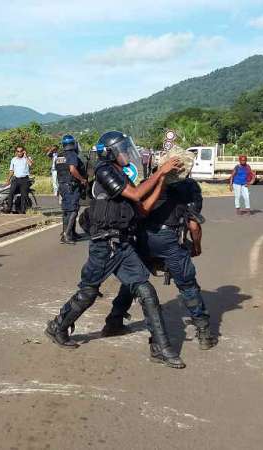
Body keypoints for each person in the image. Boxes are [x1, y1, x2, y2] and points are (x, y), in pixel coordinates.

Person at [45, 130, 186, 369]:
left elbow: (143, 208)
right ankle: (58, 327)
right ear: (110, 152)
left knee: (146, 291)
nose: (126, 153)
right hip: (104, 244)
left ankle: (160, 348)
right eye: (122, 149)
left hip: (121, 243)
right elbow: (136, 193)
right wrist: (159, 171)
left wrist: (162, 180)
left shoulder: (122, 174)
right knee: (88, 292)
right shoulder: (104, 171)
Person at [102, 176, 218, 351]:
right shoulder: (189, 187)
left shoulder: (151, 181)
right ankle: (204, 333)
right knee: (187, 285)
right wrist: (196, 247)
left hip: (143, 237)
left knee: (134, 280)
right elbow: (194, 226)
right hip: (169, 240)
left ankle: (114, 321)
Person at [55, 135, 88, 244]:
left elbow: (59, 171)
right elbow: (72, 169)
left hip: (62, 185)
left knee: (66, 210)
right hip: (71, 185)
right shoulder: (72, 155)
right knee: (73, 210)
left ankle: (71, 233)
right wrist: (82, 179)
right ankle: (66, 235)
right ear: (73, 144)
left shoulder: (59, 156)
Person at [7, 145, 33, 214]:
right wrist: (8, 180)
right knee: (11, 193)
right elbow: (11, 171)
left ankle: (22, 210)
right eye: (18, 151)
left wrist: (26, 156)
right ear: (16, 152)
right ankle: (9, 208)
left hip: (24, 179)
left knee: (23, 195)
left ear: (23, 151)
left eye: (21, 151)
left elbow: (30, 164)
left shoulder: (27, 158)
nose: (19, 153)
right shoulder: (13, 159)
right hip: (16, 179)